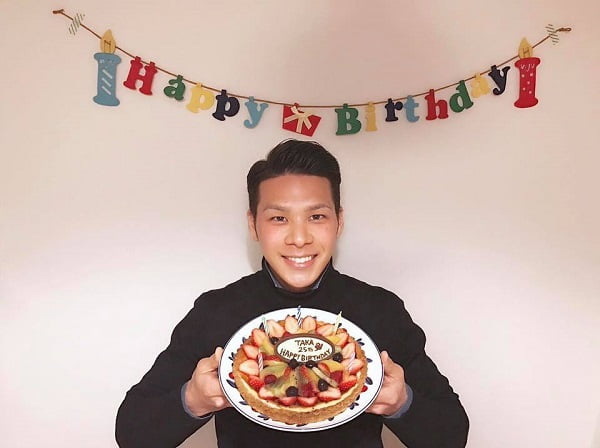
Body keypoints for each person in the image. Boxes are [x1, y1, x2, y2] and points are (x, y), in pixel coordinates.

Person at [115, 139, 469, 448]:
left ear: (339, 222)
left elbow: (452, 434)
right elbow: (132, 433)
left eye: (316, 217)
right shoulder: (216, 310)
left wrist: (402, 403)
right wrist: (192, 400)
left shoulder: (380, 310)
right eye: (279, 219)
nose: (299, 238)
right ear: (253, 225)